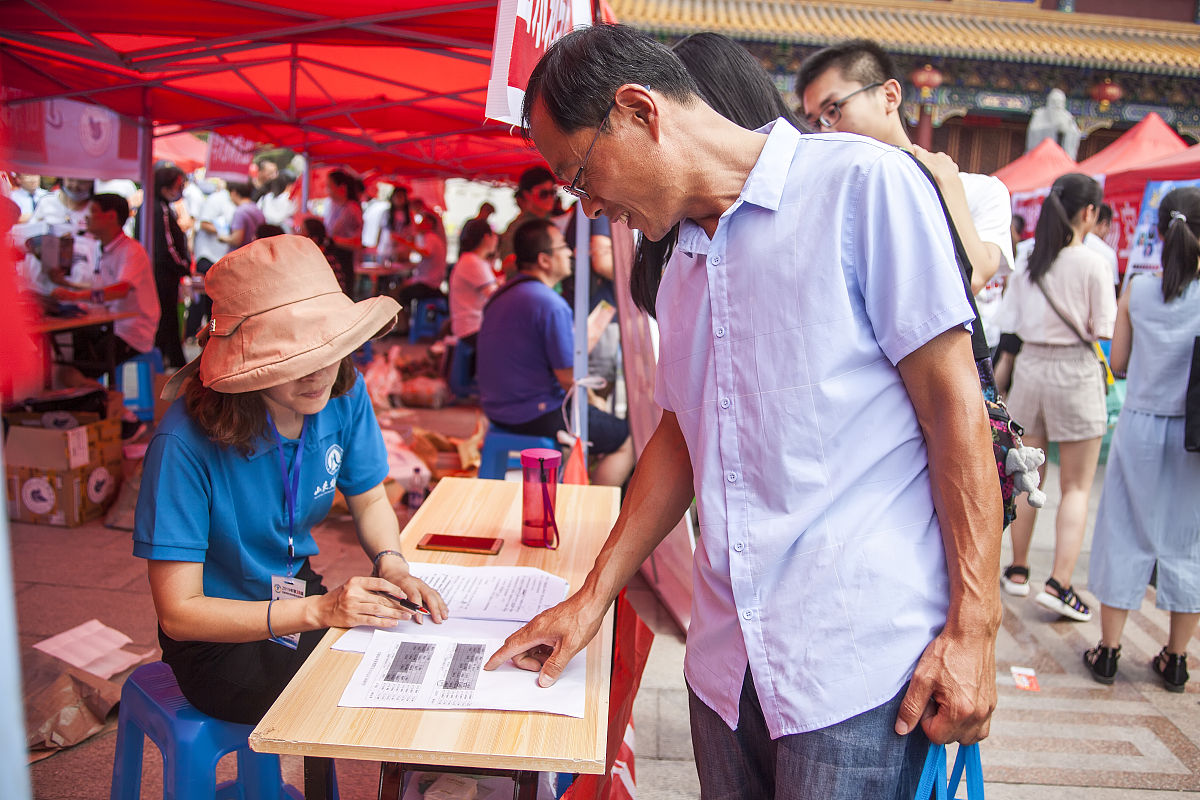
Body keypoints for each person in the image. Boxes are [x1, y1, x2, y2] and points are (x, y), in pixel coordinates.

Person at [483, 26, 1001, 800]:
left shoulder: (863, 186)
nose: (590, 207)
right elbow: (680, 437)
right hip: (726, 660)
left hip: (856, 664)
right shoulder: (683, 263)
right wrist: (591, 598)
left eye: (581, 175)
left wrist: (976, 628)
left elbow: (953, 407)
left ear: (638, 111)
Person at [133, 235, 448, 725]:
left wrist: (393, 566)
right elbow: (180, 612)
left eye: (331, 348)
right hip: (215, 635)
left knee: (405, 662)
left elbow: (367, 498)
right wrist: (320, 612)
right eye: (296, 359)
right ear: (247, 365)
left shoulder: (344, 392)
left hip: (294, 588)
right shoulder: (183, 443)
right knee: (342, 694)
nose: (320, 372)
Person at [1083, 187, 1200, 693]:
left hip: (1140, 427)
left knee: (1123, 528)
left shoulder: (1137, 290)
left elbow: (1121, 362)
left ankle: (1108, 650)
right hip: (1193, 436)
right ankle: (1176, 659)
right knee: (1190, 541)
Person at [797, 40, 1013, 307]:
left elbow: (973, 278)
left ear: (889, 96)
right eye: (815, 122)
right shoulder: (830, 201)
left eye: (832, 110)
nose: (824, 131)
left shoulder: (979, 191)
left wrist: (947, 185)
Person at [998, 173, 1116, 620]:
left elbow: (1009, 322)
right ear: (1088, 212)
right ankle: (1059, 583)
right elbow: (1101, 329)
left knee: (1030, 479)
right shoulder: (1093, 263)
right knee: (1077, 486)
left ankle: (1018, 570)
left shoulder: (1027, 258)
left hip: (1030, 368)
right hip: (1075, 372)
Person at [476, 218, 634, 488]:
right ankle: (595, 514)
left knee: (598, 423)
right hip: (534, 414)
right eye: (563, 247)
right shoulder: (549, 303)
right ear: (544, 260)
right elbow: (568, 378)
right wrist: (594, 399)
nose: (571, 253)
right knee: (627, 438)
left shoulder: (502, 295)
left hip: (497, 410)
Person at [49, 193, 160, 376]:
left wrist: (76, 296)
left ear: (111, 216)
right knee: (74, 349)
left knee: (75, 371)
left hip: (131, 333)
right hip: (112, 325)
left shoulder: (131, 251)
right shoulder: (104, 249)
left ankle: (99, 398)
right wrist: (65, 284)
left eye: (93, 211)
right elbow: (102, 291)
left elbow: (120, 290)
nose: (87, 217)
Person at [138, 165, 191, 368]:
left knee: (164, 319)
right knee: (167, 318)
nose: (179, 191)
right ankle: (171, 361)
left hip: (158, 275)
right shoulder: (159, 210)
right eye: (177, 186)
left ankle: (164, 360)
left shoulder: (152, 207)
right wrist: (184, 266)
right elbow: (168, 247)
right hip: (162, 276)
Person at [188, 178, 234, 340]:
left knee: (214, 303)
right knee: (209, 302)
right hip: (209, 256)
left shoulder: (236, 204)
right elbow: (204, 223)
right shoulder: (217, 200)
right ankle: (204, 335)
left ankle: (210, 336)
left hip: (221, 258)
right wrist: (227, 234)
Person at [448, 217, 498, 349]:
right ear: (487, 237)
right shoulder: (472, 262)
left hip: (470, 327)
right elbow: (495, 295)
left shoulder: (473, 260)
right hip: (472, 329)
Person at [498, 166, 558, 274]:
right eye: (544, 194)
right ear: (527, 195)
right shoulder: (518, 227)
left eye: (553, 192)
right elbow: (507, 265)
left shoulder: (554, 221)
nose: (550, 198)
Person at [323, 169, 364, 294]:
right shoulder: (332, 205)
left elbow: (357, 242)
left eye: (329, 186)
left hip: (345, 261)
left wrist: (332, 240)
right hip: (334, 260)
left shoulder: (352, 209)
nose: (327, 190)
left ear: (341, 187)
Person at [220, 180, 266, 251]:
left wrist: (222, 238)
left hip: (240, 254)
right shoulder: (257, 209)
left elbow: (237, 240)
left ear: (234, 193)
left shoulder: (240, 211)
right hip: (253, 252)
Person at [1085, 202, 1120, 288]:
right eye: (1108, 227)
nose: (1108, 232)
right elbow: (1113, 289)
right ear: (1104, 224)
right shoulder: (1108, 253)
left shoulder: (1072, 244)